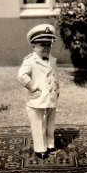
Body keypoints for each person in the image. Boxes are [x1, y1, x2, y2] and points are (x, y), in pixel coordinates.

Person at [18, 24, 60, 160]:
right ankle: (40, 148)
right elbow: (21, 75)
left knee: (50, 122)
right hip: (37, 98)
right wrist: (32, 87)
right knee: (38, 123)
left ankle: (50, 143)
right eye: (43, 45)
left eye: (49, 44)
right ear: (33, 46)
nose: (47, 48)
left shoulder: (52, 60)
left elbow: (54, 77)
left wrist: (57, 90)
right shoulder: (30, 61)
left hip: (51, 97)